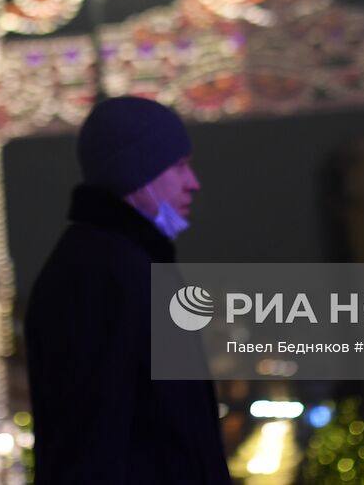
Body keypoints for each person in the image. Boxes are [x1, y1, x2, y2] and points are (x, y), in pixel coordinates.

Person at [23, 95, 231, 484]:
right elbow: (91, 444)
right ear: (139, 170)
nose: (194, 183)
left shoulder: (122, 266)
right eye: (180, 166)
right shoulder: (100, 275)